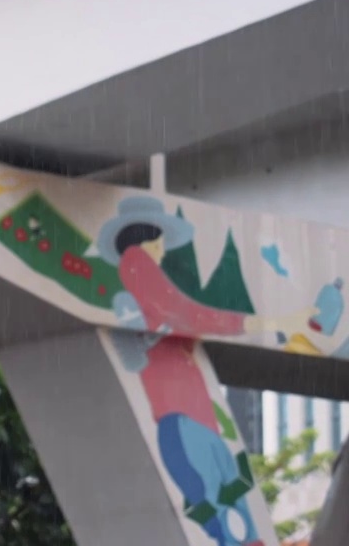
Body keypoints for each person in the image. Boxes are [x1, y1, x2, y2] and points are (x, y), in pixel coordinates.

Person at [99, 197, 312, 546]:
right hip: (184, 419)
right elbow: (188, 313)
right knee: (225, 513)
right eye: (157, 246)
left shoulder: (145, 288)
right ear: (141, 246)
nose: (162, 255)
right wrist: (267, 322)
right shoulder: (138, 270)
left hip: (192, 419)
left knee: (230, 512)